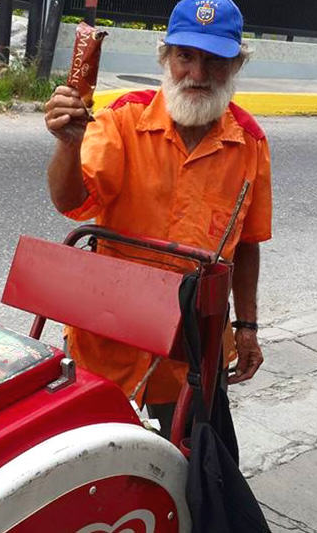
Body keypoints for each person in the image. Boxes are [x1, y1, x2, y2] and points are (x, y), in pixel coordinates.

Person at [43, 0, 272, 433]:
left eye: (215, 61)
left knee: (191, 466)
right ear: (166, 58)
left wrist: (247, 327)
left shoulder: (250, 142)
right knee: (96, 465)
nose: (198, 75)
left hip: (190, 350)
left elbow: (247, 243)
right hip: (108, 339)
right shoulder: (123, 119)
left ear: (236, 65)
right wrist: (68, 144)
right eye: (186, 57)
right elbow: (70, 202)